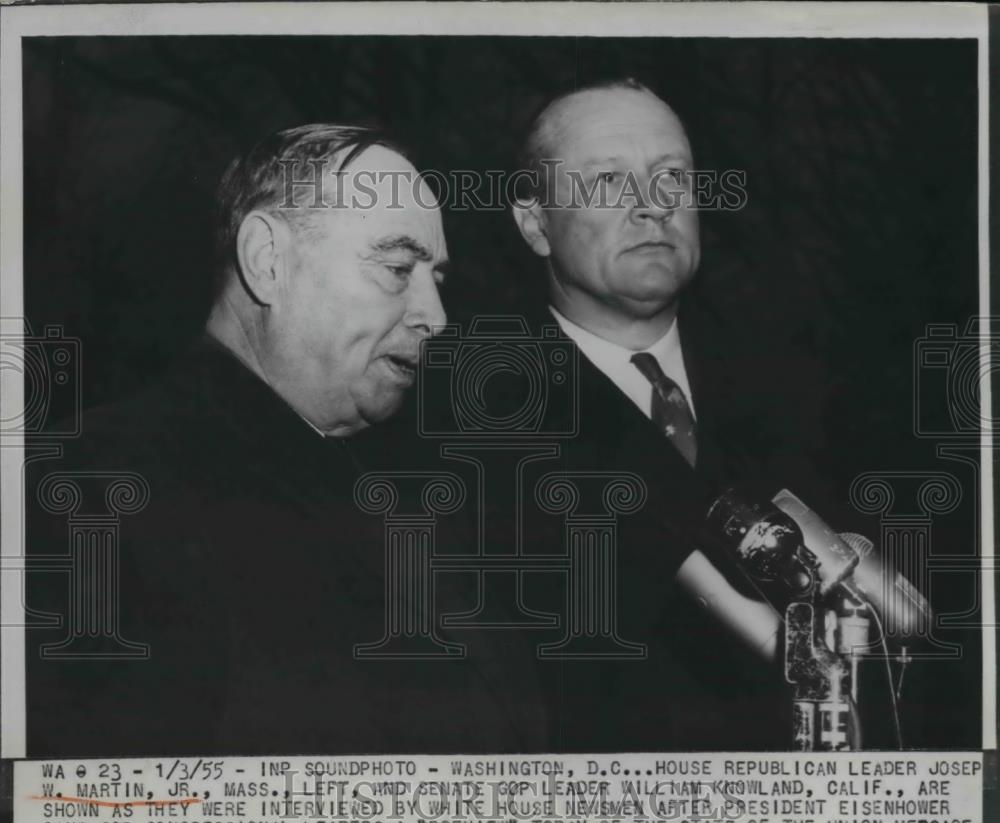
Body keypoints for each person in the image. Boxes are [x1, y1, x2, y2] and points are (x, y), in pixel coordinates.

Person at [25, 123, 548, 756]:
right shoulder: (87, 492)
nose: (435, 318)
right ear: (267, 262)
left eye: (436, 277)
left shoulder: (430, 498)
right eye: (396, 267)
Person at [502, 78, 842, 750]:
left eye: (672, 178)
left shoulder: (805, 390)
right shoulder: (480, 424)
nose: (653, 206)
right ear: (535, 223)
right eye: (607, 181)